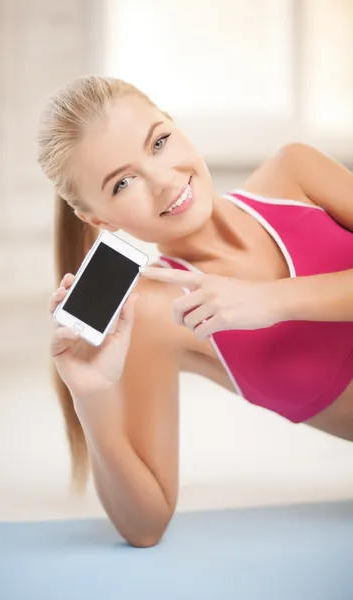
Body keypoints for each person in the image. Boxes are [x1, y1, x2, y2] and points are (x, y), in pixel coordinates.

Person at [37, 75, 353, 547]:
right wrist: (92, 398)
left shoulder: (296, 175)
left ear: (176, 126)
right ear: (100, 220)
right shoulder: (157, 315)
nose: (163, 181)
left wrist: (271, 300)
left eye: (159, 142)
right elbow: (146, 526)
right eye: (123, 183)